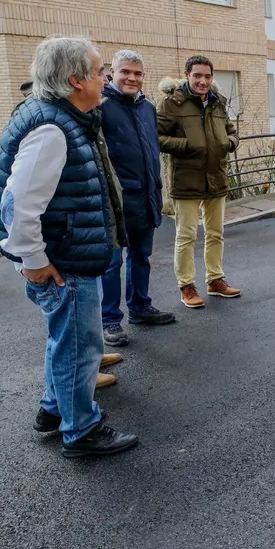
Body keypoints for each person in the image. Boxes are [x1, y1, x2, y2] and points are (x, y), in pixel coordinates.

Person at [0, 36, 138, 458]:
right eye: (99, 70)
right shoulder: (53, 128)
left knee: (64, 337)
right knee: (79, 345)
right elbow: (17, 203)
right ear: (75, 80)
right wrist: (33, 261)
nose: (106, 76)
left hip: (61, 252)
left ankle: (53, 409)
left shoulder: (57, 117)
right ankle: (82, 429)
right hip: (62, 259)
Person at [99, 50, 176, 347]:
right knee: (112, 262)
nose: (132, 78)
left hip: (146, 196)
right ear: (112, 73)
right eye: (125, 72)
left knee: (141, 256)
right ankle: (110, 321)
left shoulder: (147, 108)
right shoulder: (102, 106)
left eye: (138, 73)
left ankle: (140, 307)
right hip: (116, 200)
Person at [157, 55, 241, 309]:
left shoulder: (218, 102)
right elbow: (156, 136)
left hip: (216, 176)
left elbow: (231, 131)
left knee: (216, 233)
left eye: (207, 76)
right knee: (187, 236)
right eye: (197, 76)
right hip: (186, 178)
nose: (203, 81)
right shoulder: (172, 103)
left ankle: (215, 280)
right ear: (186, 75)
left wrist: (230, 143)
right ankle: (187, 286)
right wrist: (185, 145)